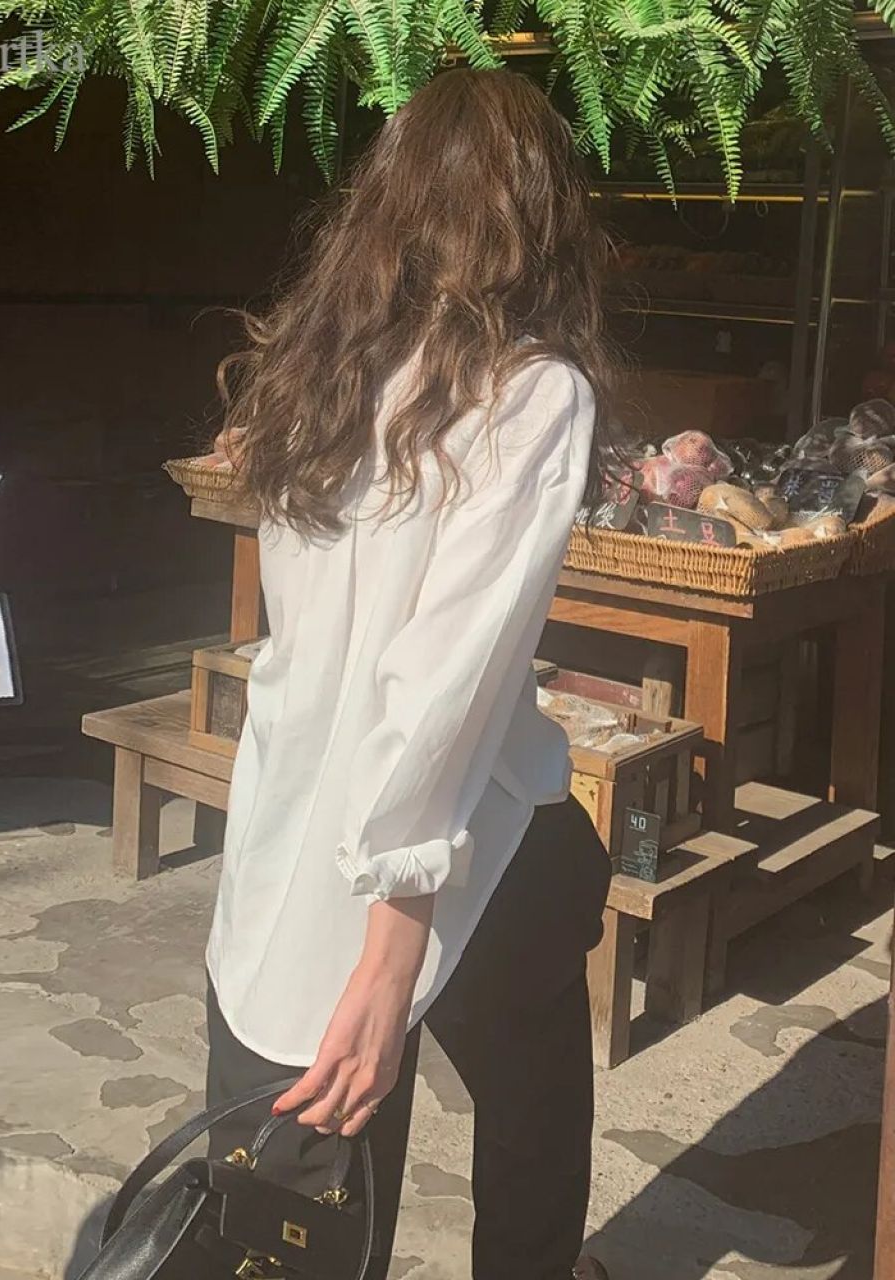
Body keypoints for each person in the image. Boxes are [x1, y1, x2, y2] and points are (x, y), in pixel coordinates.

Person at [205, 67, 614, 1280]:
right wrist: (388, 958)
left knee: (293, 1210)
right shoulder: (531, 396)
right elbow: (440, 685)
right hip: (433, 846)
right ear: (542, 216)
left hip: (298, 822)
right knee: (506, 1117)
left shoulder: (316, 374)